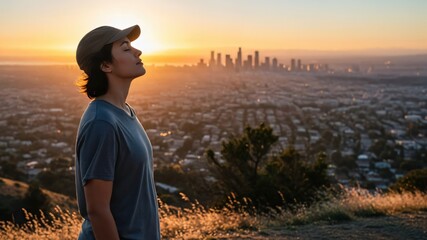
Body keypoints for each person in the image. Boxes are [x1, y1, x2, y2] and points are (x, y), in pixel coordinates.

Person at [74, 25, 160, 240]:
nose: (137, 52)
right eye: (125, 48)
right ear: (105, 65)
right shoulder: (101, 123)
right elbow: (97, 210)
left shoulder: (124, 111)